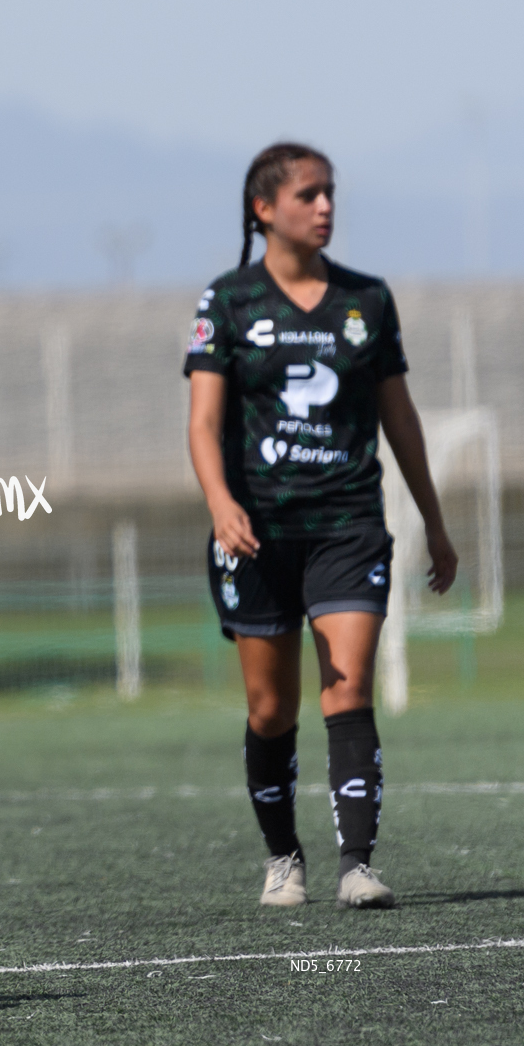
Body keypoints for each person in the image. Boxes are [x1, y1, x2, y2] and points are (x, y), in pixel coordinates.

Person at [184, 142, 457, 911]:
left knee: (349, 688)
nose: (326, 206)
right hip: (255, 534)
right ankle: (282, 857)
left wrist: (435, 522)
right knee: (272, 709)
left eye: (331, 192)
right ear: (264, 209)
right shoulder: (228, 302)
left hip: (348, 526)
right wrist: (220, 502)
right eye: (309, 194)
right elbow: (204, 424)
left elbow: (399, 419)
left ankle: (358, 864)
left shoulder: (368, 300)